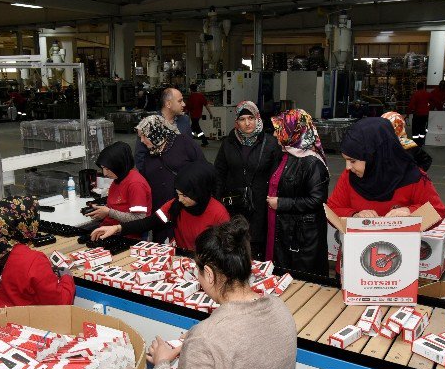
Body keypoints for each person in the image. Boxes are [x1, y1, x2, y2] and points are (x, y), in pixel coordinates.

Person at [146, 216, 296, 369]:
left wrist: (161, 364)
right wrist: (199, 344)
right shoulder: (280, 308)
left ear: (208, 273)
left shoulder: (206, 339)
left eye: (197, 271)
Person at [90, 161, 229, 251]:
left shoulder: (218, 213)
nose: (180, 199)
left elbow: (226, 249)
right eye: (178, 193)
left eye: (185, 196)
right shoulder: (174, 205)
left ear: (200, 192)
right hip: (182, 258)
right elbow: (149, 223)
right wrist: (116, 228)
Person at [327, 117, 445, 220]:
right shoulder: (349, 177)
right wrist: (354, 215)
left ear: (375, 155)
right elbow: (332, 209)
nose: (347, 167)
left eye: (352, 161)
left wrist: (410, 212)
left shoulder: (413, 177)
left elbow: (437, 211)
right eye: (346, 160)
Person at [0, 196, 75, 311]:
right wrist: (66, 277)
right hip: (30, 326)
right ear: (25, 224)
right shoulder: (33, 261)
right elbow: (61, 303)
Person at [214, 100, 281, 260]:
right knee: (234, 243)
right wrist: (216, 200)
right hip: (234, 204)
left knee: (256, 245)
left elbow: (276, 177)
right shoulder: (228, 143)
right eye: (242, 119)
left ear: (257, 118)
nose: (247, 123)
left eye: (250, 118)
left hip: (260, 205)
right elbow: (219, 173)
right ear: (237, 122)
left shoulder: (270, 144)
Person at [267, 109, 330, 278]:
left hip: (303, 238)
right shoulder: (288, 154)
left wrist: (282, 203)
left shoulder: (312, 162)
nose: (274, 134)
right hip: (288, 231)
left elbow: (316, 200)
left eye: (279, 129)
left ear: (293, 132)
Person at [135, 114, 205, 243]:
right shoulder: (149, 155)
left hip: (185, 210)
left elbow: (203, 169)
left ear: (155, 132)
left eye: (144, 136)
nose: (142, 141)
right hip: (161, 215)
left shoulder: (183, 142)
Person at [86, 142, 152, 238]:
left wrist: (108, 212)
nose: (104, 173)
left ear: (119, 164)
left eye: (108, 169)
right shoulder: (119, 178)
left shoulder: (135, 184)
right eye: (103, 168)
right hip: (108, 229)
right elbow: (118, 206)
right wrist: (101, 210)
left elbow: (139, 219)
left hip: (127, 235)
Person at [135, 87, 192, 170]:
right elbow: (140, 155)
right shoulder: (150, 123)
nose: (184, 104)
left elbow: (190, 147)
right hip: (158, 175)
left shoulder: (184, 120)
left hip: (182, 173)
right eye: (180, 101)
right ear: (168, 104)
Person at [407, 81, 431, 146]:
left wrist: (408, 114)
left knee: (415, 128)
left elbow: (411, 105)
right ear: (423, 87)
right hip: (425, 115)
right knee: (422, 127)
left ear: (417, 87)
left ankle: (415, 142)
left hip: (417, 115)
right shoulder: (428, 94)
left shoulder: (415, 94)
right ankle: (421, 141)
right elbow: (431, 103)